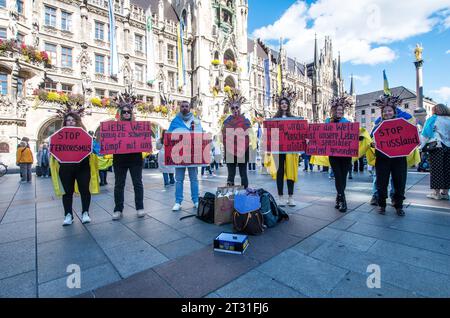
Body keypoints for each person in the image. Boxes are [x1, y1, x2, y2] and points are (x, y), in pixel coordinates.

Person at [49, 107, 99, 226]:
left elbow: (96, 150)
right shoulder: (59, 136)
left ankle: (85, 213)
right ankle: (68, 215)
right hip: (65, 168)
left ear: (77, 122)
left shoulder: (86, 136)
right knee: (67, 192)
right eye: (68, 120)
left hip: (82, 167)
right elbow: (55, 151)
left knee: (84, 190)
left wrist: (93, 148)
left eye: (73, 120)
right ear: (65, 122)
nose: (70, 122)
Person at [370, 95, 410, 216]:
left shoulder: (402, 124)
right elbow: (371, 140)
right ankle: (382, 205)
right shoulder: (377, 126)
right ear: (382, 113)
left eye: (389, 110)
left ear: (394, 111)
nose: (387, 113)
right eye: (385, 111)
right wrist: (372, 143)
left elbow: (410, 137)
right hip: (382, 159)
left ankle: (398, 206)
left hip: (399, 159)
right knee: (381, 183)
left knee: (400, 182)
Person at [111, 92, 145, 220]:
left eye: (128, 112)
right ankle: (118, 209)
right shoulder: (113, 127)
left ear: (131, 114)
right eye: (124, 112)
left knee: (138, 183)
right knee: (119, 184)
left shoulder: (138, 127)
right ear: (120, 113)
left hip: (135, 159)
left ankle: (140, 207)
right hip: (119, 159)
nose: (126, 113)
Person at [168, 101, 203, 211]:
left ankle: (196, 200)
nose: (184, 108)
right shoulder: (175, 121)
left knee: (194, 179)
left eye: (186, 106)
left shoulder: (196, 120)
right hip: (179, 154)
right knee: (179, 180)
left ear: (189, 108)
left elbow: (201, 134)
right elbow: (169, 136)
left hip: (192, 154)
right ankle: (178, 202)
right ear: (179, 108)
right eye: (182, 106)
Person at [270, 93, 299, 207]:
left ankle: (291, 197)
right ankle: (280, 197)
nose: (284, 105)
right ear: (279, 105)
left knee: (290, 171)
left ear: (288, 105)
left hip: (290, 149)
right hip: (278, 149)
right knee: (280, 172)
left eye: (286, 103)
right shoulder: (274, 119)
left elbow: (298, 133)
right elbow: (270, 133)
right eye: (282, 103)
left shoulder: (293, 119)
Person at [326, 96, 354, 213]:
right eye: (338, 110)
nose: (340, 112)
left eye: (341, 111)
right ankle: (343, 200)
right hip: (333, 155)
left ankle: (339, 197)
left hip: (346, 155)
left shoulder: (347, 123)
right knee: (338, 176)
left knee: (343, 178)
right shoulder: (328, 122)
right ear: (333, 111)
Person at [221, 89, 252, 189]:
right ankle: (230, 195)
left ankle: (245, 193)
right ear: (230, 109)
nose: (235, 110)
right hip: (230, 151)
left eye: (237, 107)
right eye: (233, 108)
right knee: (231, 174)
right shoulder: (226, 121)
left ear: (240, 108)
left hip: (243, 150)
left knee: (243, 173)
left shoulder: (246, 121)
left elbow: (250, 135)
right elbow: (223, 135)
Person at [420, 104, 450, 200]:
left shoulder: (433, 118)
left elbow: (426, 133)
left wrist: (421, 146)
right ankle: (445, 193)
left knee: (436, 170)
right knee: (447, 170)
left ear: (435, 110)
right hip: (448, 146)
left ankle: (436, 193)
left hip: (437, 146)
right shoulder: (449, 119)